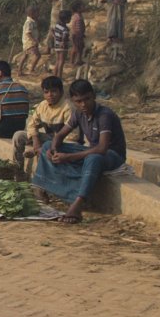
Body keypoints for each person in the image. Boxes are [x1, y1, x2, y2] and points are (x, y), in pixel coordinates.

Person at [34, 78, 126, 225]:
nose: (83, 104)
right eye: (78, 101)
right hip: (93, 150)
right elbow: (60, 135)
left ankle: (77, 203)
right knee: (46, 146)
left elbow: (102, 148)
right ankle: (44, 187)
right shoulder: (78, 113)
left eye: (86, 99)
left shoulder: (104, 115)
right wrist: (54, 148)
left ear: (93, 96)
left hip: (112, 155)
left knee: (93, 158)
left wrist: (68, 157)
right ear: (73, 101)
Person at [12, 75, 72, 175]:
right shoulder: (43, 105)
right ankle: (18, 172)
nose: (50, 95)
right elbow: (32, 124)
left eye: (54, 91)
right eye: (46, 92)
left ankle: (42, 182)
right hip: (48, 138)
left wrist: (42, 148)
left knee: (44, 150)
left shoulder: (68, 108)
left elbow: (71, 138)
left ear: (61, 92)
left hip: (63, 143)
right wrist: (35, 141)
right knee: (18, 136)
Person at [14, 4, 42, 76]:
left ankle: (19, 71)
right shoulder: (29, 23)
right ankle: (31, 70)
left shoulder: (32, 22)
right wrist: (34, 41)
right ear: (32, 13)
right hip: (30, 43)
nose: (38, 14)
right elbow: (28, 33)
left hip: (28, 42)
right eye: (37, 12)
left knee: (25, 56)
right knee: (37, 55)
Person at [51, 10, 73, 81]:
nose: (70, 19)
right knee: (61, 61)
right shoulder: (65, 29)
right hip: (63, 47)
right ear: (66, 19)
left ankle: (54, 75)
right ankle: (59, 77)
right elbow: (64, 37)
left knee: (57, 61)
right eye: (70, 18)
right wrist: (63, 42)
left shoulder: (57, 25)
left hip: (57, 45)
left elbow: (54, 32)